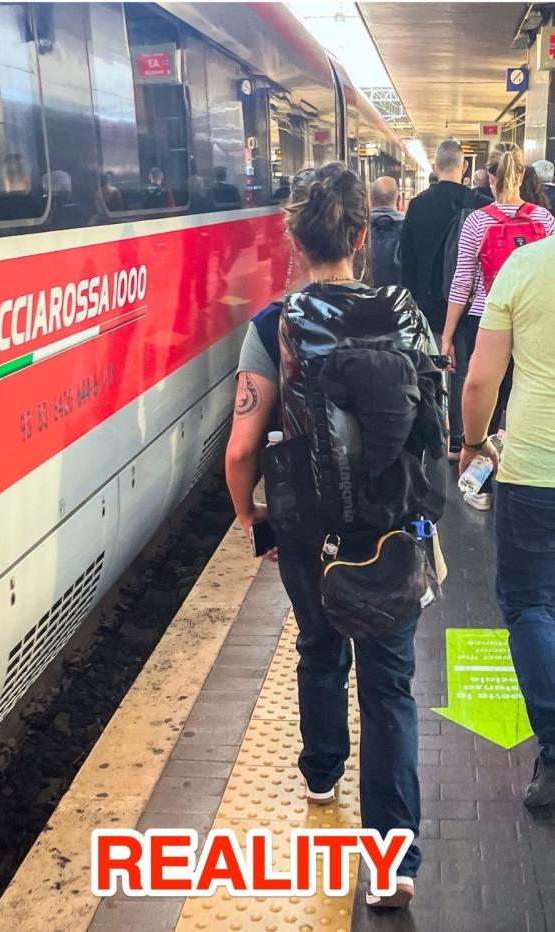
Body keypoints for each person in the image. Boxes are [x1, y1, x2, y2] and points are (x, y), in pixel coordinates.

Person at [224, 163, 426, 909]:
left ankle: (320, 774)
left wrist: (254, 516)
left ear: (294, 242)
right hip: (391, 524)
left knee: (317, 644)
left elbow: (243, 448)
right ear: (363, 236)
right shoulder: (404, 313)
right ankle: (397, 863)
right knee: (390, 684)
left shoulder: (273, 326)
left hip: (310, 527)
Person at [460, 229, 555, 808]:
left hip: (533, 469)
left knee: (530, 605)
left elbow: (479, 380)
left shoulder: (524, 266)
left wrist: (472, 443)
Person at [442, 145, 554, 511]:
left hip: (484, 320)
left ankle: (481, 486)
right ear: (522, 175)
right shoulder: (545, 219)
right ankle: (514, 465)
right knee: (517, 397)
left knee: (486, 399)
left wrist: (447, 335)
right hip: (532, 320)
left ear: (490, 176)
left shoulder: (477, 221)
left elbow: (462, 282)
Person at [399, 139, 491, 459]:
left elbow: (405, 260)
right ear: (463, 166)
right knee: (464, 372)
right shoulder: (479, 203)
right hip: (467, 305)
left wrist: (410, 303)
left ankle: (427, 439)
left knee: (426, 370)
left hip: (425, 305)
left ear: (435, 167)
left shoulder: (417, 205)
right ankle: (460, 440)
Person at [368, 176, 404, 287]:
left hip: (364, 298)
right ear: (399, 200)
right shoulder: (408, 228)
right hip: (399, 299)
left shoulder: (358, 229)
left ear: (370, 198)